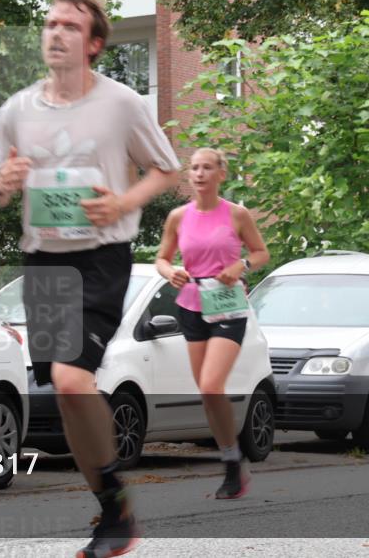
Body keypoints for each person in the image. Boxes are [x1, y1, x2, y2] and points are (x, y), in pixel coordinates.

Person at [0, 0, 180, 558]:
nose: (56, 33)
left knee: (69, 379)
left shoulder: (121, 104)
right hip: (44, 261)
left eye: (69, 26)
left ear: (93, 44)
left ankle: (115, 506)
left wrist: (122, 203)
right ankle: (113, 507)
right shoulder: (17, 109)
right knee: (65, 395)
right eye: (50, 23)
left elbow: (166, 170)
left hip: (99, 259)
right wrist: (2, 183)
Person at [155, 147, 269, 499]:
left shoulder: (237, 214)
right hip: (191, 305)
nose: (200, 173)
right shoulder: (178, 217)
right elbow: (162, 258)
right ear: (189, 175)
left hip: (228, 306)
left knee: (210, 383)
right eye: (194, 168)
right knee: (207, 393)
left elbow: (261, 253)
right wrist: (170, 272)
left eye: (207, 167)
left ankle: (232, 462)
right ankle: (232, 458)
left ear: (221, 174)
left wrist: (241, 266)